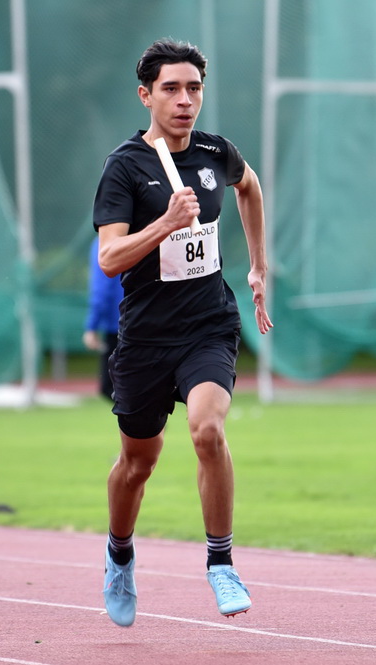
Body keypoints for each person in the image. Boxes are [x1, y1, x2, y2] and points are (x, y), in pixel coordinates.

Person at [91, 39, 272, 626]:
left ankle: (221, 562)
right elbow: (110, 258)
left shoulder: (217, 152)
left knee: (207, 430)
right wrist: (166, 223)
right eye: (171, 89)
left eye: (194, 88)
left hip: (208, 325)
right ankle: (120, 554)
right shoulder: (125, 167)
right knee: (137, 463)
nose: (185, 100)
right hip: (145, 337)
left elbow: (249, 187)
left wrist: (258, 265)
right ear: (146, 95)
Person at [82, 236, 124, 400]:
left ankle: (147, 416)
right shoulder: (142, 233)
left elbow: (102, 288)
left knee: (111, 387)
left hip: (119, 326)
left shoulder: (103, 242)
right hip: (144, 319)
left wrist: (92, 326)